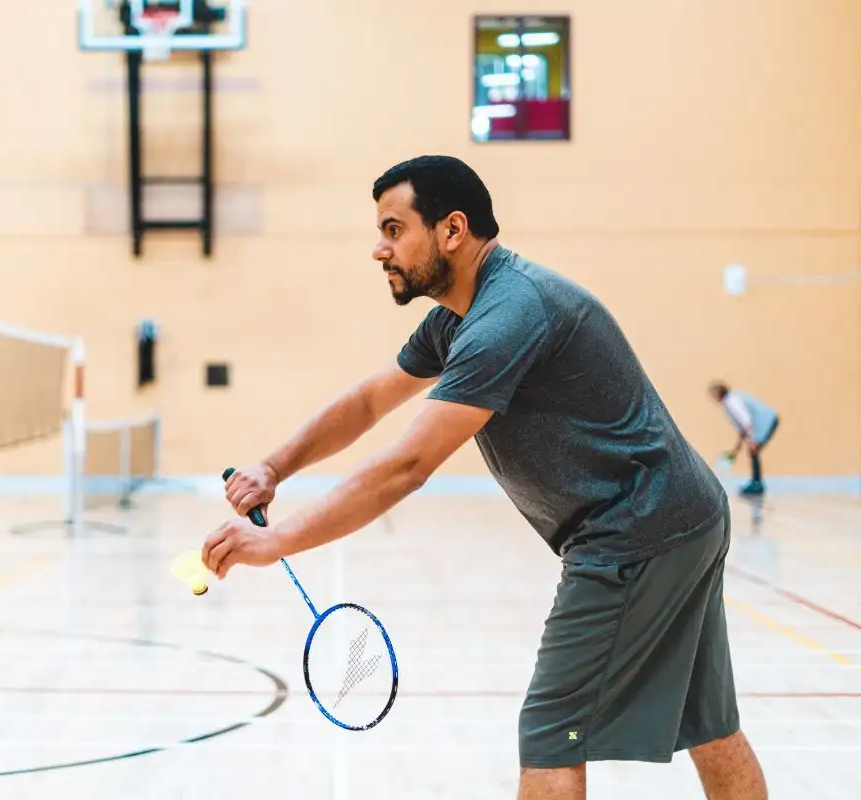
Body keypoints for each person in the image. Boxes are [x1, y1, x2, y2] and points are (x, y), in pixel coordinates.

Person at [201, 155, 768, 800]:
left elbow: (408, 466)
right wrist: (274, 466)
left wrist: (276, 541)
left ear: (452, 230)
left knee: (554, 733)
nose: (380, 250)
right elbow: (369, 401)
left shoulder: (507, 315)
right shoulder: (461, 317)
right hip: (685, 515)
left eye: (394, 230)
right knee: (708, 724)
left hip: (636, 533)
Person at [708, 381, 779, 496]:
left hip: (765, 422)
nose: (713, 398)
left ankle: (757, 484)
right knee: (753, 451)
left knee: (753, 451)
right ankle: (756, 482)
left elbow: (746, 421)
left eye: (713, 394)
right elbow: (742, 431)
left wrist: (751, 440)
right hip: (764, 423)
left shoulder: (731, 401)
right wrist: (736, 449)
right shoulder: (730, 401)